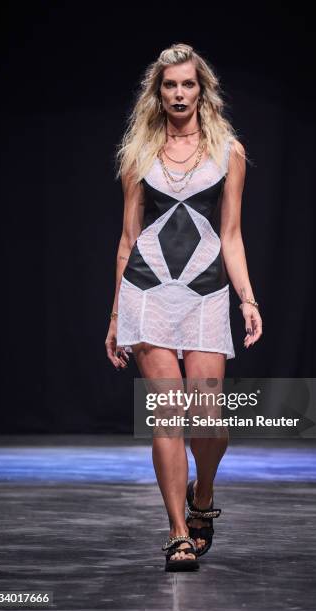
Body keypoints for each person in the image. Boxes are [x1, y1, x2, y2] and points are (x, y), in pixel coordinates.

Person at [105, 43, 262, 571]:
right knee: (168, 413)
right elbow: (127, 241)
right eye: (169, 85)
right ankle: (176, 533)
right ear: (158, 92)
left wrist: (247, 298)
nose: (178, 93)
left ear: (202, 90)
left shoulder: (228, 151)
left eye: (187, 84)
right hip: (146, 292)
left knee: (209, 419)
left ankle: (203, 495)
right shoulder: (140, 154)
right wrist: (114, 317)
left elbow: (232, 235)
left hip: (206, 293)